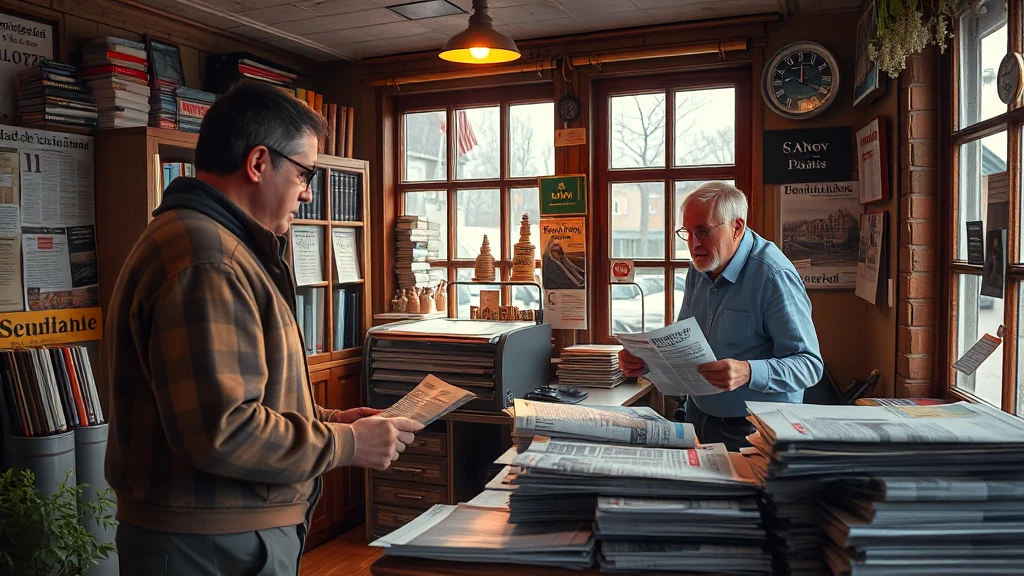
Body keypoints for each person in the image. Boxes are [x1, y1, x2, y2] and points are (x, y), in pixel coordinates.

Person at [103, 81, 423, 575]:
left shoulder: (211, 244)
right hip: (211, 546)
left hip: (220, 538)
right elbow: (222, 430)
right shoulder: (208, 258)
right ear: (257, 163)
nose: (307, 192)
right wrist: (348, 443)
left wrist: (331, 420)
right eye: (304, 173)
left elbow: (241, 398)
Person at [619, 182, 822, 450]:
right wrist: (646, 361)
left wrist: (748, 371)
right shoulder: (700, 266)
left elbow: (809, 366)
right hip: (697, 417)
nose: (693, 244)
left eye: (703, 232)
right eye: (687, 232)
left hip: (754, 430)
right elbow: (683, 341)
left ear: (736, 227)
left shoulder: (773, 276)